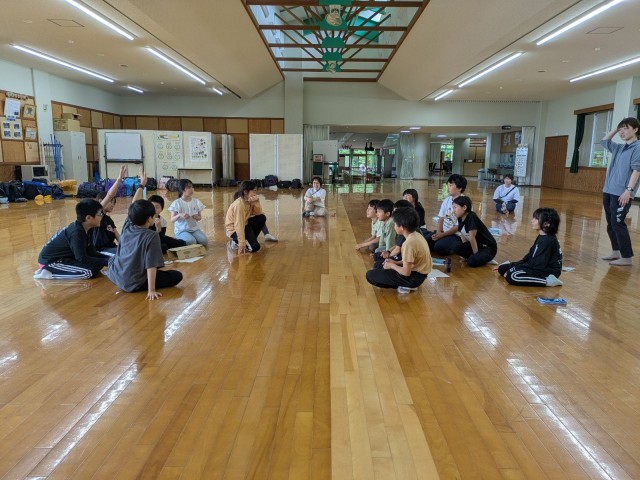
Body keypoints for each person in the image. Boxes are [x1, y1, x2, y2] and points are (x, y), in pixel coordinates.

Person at [107, 199, 183, 300]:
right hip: (132, 283)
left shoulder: (127, 226)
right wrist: (151, 290)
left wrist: (140, 188)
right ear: (149, 219)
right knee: (176, 275)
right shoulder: (152, 235)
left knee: (113, 259)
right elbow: (151, 265)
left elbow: (134, 207)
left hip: (115, 276)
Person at [34, 198, 110, 279]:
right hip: (50, 262)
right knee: (89, 272)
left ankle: (54, 270)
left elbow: (92, 253)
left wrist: (111, 259)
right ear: (88, 218)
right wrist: (107, 262)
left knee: (98, 265)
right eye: (100, 214)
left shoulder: (88, 228)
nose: (101, 217)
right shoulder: (76, 233)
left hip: (65, 258)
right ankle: (49, 273)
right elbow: (81, 258)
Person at [600, 117, 640, 266]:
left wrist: (628, 191)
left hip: (622, 193)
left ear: (635, 129)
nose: (622, 132)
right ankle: (616, 251)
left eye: (625, 128)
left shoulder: (638, 147)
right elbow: (604, 141)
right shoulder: (619, 147)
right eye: (620, 129)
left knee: (618, 223)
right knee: (611, 223)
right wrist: (615, 130)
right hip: (608, 190)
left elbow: (637, 170)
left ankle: (627, 257)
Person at [365, 207, 432, 293]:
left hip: (414, 278)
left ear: (402, 227)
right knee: (378, 265)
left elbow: (406, 272)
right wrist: (395, 262)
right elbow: (411, 261)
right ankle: (405, 283)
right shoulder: (416, 235)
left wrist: (392, 266)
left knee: (370, 275)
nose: (394, 227)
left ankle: (407, 285)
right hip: (417, 273)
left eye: (395, 224)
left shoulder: (409, 243)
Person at [494, 207, 563, 286]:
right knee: (502, 269)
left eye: (536, 219)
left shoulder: (548, 241)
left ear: (546, 224)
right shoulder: (542, 236)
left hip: (548, 271)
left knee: (512, 276)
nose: (532, 220)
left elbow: (537, 265)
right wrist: (511, 266)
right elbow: (529, 257)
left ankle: (549, 281)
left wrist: (515, 269)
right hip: (538, 267)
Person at [426, 174, 467, 255]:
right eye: (447, 185)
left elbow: (458, 226)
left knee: (439, 247)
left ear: (460, 188)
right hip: (443, 232)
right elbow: (441, 218)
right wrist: (438, 233)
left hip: (456, 235)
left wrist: (442, 235)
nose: (448, 188)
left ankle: (459, 246)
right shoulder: (446, 200)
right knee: (425, 242)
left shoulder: (465, 203)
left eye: (451, 185)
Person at [452, 196, 497, 267]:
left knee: (472, 261)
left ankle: (485, 258)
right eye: (453, 208)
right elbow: (463, 234)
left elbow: (472, 238)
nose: (453, 210)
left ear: (464, 207)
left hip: (488, 247)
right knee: (457, 249)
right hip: (478, 245)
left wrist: (475, 255)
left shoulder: (472, 217)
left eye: (455, 207)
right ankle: (481, 257)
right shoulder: (460, 217)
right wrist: (465, 250)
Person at [91, 165, 127, 254]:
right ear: (101, 201)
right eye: (111, 202)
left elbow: (118, 237)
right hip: (101, 251)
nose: (113, 205)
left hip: (112, 248)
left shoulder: (109, 220)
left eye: (114, 203)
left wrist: (128, 248)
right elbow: (110, 195)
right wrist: (119, 179)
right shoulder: (95, 215)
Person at [226, 180, 266, 254]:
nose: (255, 194)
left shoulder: (249, 201)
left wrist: (256, 202)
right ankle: (235, 241)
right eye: (253, 191)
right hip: (234, 229)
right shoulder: (239, 205)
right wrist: (241, 242)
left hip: (244, 225)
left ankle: (250, 240)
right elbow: (238, 224)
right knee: (255, 247)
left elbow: (258, 213)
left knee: (261, 218)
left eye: (256, 192)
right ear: (245, 192)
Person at [373, 199, 412, 269]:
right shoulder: (399, 224)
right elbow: (397, 245)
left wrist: (388, 258)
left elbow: (396, 248)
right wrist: (387, 252)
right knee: (377, 255)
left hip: (402, 257)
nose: (393, 214)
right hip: (397, 252)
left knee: (377, 264)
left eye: (395, 212)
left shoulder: (402, 227)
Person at [168, 179, 208, 247]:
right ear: (182, 189)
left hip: (194, 229)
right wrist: (179, 215)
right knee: (192, 241)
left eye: (192, 187)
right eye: (189, 187)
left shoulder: (196, 202)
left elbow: (199, 217)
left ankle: (190, 238)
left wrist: (197, 217)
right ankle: (182, 237)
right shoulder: (177, 203)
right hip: (181, 230)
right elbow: (172, 220)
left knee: (204, 241)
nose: (192, 189)